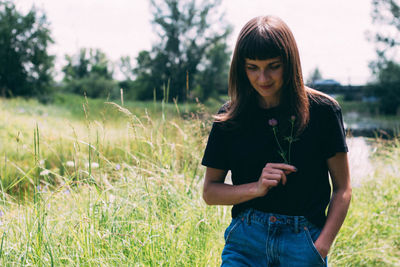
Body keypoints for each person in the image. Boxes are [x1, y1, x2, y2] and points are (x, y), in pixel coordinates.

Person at [201, 15, 352, 267]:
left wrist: (321, 247)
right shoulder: (229, 117)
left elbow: (342, 188)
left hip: (303, 242)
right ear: (241, 67)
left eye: (273, 66)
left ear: (290, 63)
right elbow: (210, 192)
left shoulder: (324, 112)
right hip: (245, 243)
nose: (263, 78)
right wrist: (256, 187)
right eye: (252, 67)